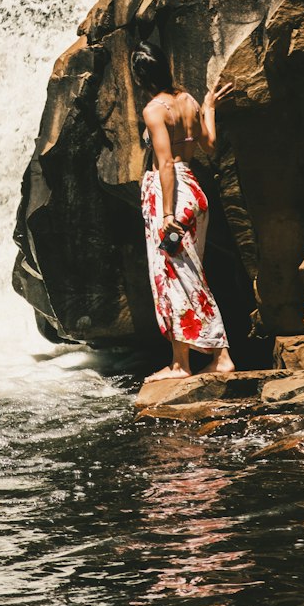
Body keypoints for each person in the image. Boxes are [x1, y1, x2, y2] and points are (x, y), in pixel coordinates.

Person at [130, 41, 235, 380]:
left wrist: (166, 214)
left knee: (175, 277)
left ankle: (214, 357)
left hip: (171, 195)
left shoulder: (154, 110)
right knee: (182, 275)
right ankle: (184, 362)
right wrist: (209, 108)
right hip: (195, 193)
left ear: (140, 76)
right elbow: (211, 145)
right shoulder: (188, 100)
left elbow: (163, 165)